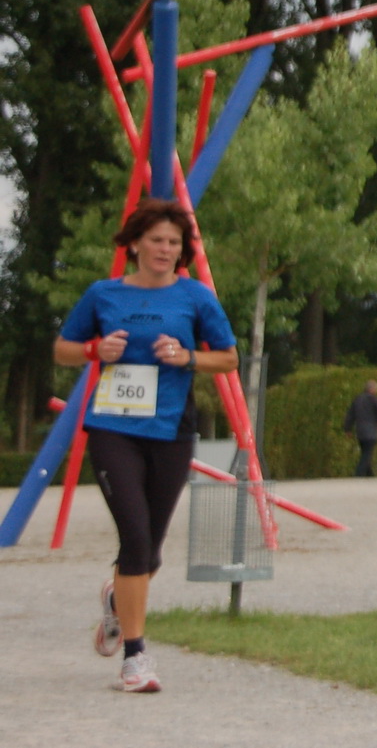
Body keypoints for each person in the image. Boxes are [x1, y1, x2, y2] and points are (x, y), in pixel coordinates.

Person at [53, 197, 240, 693]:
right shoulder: (103, 294)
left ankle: (118, 603)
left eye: (174, 242)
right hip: (114, 430)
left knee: (150, 550)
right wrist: (95, 350)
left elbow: (228, 358)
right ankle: (135, 658)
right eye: (156, 239)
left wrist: (186, 358)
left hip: (171, 431)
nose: (164, 248)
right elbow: (63, 349)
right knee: (134, 539)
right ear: (135, 243)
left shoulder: (196, 297)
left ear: (182, 251)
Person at [343, 379, 377, 477]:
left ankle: (370, 476)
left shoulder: (357, 400)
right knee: (366, 455)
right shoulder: (375, 400)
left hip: (360, 432)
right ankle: (359, 475)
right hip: (372, 432)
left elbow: (350, 415)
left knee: (366, 453)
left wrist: (347, 429)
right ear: (373, 389)